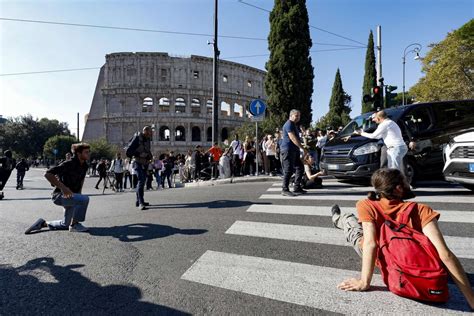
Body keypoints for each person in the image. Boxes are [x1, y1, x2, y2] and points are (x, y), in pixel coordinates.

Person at [332, 168, 474, 309]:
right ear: (399, 188)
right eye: (406, 181)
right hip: (413, 261)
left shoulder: (366, 204)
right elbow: (445, 254)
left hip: (381, 257)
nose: (409, 183)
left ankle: (337, 217)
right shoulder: (421, 210)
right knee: (352, 221)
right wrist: (472, 300)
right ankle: (339, 217)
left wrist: (364, 282)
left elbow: (370, 244)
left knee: (350, 222)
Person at [25, 143, 91, 234]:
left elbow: (81, 180)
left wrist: (78, 194)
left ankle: (43, 224)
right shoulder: (69, 163)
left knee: (65, 225)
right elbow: (48, 174)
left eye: (89, 152)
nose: (88, 154)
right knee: (85, 199)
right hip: (59, 195)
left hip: (72, 196)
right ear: (79, 154)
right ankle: (75, 225)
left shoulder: (84, 165)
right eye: (86, 152)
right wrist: (63, 188)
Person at [280, 109, 308, 196]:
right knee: (288, 170)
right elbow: (292, 137)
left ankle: (297, 187)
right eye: (296, 116)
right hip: (288, 149)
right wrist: (302, 148)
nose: (298, 117)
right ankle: (285, 189)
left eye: (299, 116)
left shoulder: (293, 125)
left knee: (300, 167)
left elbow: (297, 138)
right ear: (291, 116)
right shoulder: (288, 124)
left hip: (294, 150)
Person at [128, 126, 153, 210]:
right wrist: (139, 155)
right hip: (137, 162)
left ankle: (138, 201)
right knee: (141, 181)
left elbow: (147, 150)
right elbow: (128, 151)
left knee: (142, 182)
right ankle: (141, 203)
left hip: (145, 163)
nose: (151, 133)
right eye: (150, 132)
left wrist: (150, 156)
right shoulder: (137, 138)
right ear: (145, 131)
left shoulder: (148, 139)